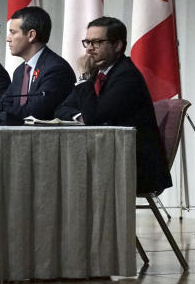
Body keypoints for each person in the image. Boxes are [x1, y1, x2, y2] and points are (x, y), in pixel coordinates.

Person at [55, 16, 172, 195]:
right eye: (87, 42)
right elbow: (62, 109)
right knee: (58, 170)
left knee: (67, 176)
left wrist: (85, 76)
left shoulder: (127, 76)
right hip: (108, 157)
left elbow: (93, 118)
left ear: (117, 46)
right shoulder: (98, 74)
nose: (89, 49)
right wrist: (81, 116)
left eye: (97, 42)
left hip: (135, 166)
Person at [0, 6, 75, 125]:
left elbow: (34, 112)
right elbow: (4, 103)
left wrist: (2, 112)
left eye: (13, 32)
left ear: (31, 35)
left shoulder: (56, 69)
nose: (8, 39)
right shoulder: (20, 71)